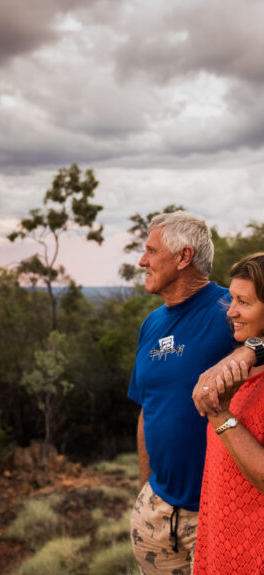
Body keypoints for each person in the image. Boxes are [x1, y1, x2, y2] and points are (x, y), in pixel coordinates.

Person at [128, 211, 236, 575]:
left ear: (183, 257)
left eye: (151, 250)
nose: (142, 260)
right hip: (155, 513)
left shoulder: (230, 311)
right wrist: (146, 490)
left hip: (215, 513)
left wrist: (253, 349)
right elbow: (148, 409)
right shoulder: (151, 324)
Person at [192, 253, 264, 575]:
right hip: (222, 547)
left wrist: (220, 416)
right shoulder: (244, 368)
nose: (231, 312)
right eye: (231, 299)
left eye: (243, 302)